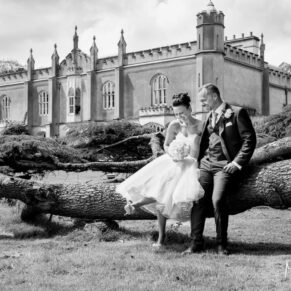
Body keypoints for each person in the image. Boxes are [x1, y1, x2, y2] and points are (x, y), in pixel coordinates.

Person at [116, 93, 204, 248]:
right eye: (176, 114)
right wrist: (173, 152)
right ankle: (161, 237)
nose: (179, 117)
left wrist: (186, 154)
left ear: (190, 109)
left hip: (191, 164)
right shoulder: (174, 125)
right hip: (173, 161)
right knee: (160, 189)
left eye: (182, 113)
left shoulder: (200, 126)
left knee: (170, 195)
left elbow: (201, 150)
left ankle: (136, 206)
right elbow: (167, 145)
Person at [185, 83, 256, 255]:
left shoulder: (237, 113)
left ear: (214, 96)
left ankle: (221, 244)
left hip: (224, 166)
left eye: (203, 100)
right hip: (207, 164)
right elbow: (205, 143)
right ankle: (196, 243)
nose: (201, 104)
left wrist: (237, 163)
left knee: (217, 200)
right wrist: (198, 164)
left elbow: (250, 140)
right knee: (198, 199)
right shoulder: (209, 116)